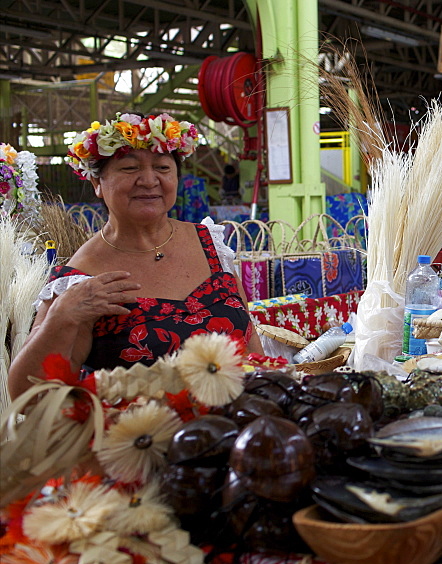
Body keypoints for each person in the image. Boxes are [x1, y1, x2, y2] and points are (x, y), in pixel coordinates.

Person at [8, 113, 263, 400]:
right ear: (96, 182)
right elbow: (25, 393)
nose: (149, 180)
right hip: (145, 437)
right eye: (129, 168)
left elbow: (251, 343)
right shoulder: (80, 279)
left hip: (241, 427)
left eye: (163, 167)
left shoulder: (210, 244)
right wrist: (60, 316)